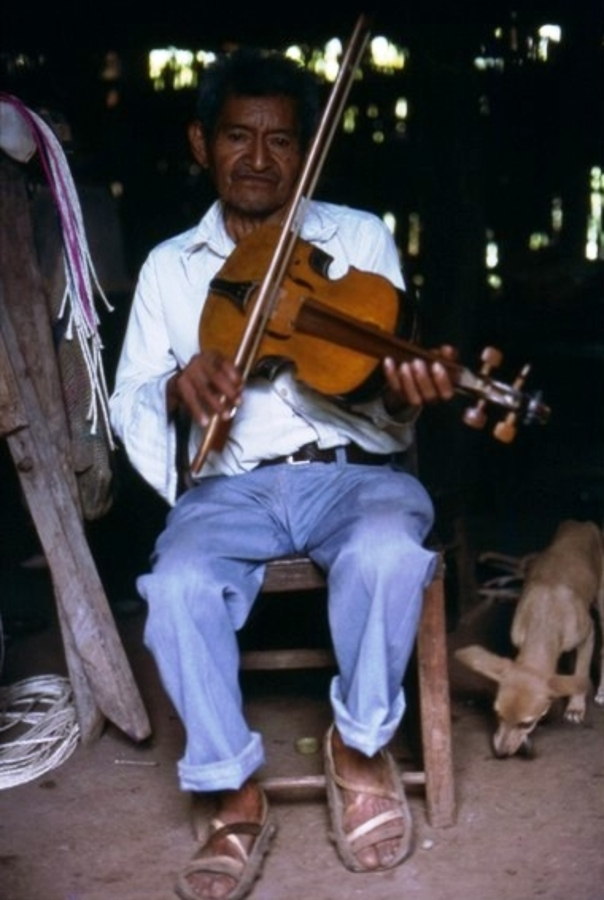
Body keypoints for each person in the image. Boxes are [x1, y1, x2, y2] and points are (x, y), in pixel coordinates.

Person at [109, 46, 456, 900]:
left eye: (281, 141)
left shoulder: (359, 237)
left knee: (389, 553)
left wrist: (406, 395)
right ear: (202, 144)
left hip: (353, 476)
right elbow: (129, 401)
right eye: (237, 137)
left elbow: (387, 397)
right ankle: (232, 782)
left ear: (308, 151)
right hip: (230, 487)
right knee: (177, 584)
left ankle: (358, 744)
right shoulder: (168, 267)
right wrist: (176, 388)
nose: (259, 160)